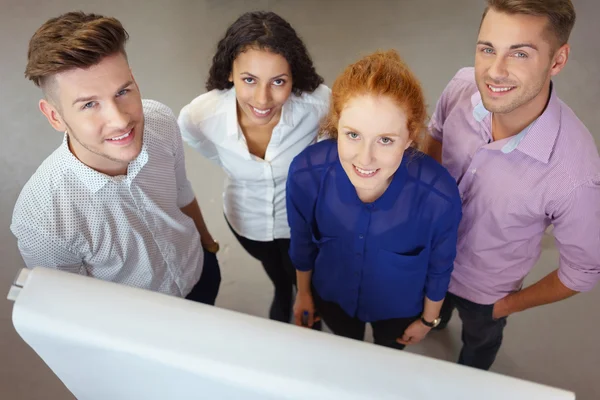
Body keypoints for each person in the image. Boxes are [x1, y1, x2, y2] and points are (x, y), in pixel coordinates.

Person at [425, 0, 600, 370]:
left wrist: (504, 306)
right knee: (432, 312)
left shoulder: (576, 176)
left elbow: (581, 272)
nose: (495, 71)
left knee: (479, 342)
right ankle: (436, 319)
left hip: (485, 291)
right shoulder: (461, 86)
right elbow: (436, 134)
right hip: (427, 257)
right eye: (487, 48)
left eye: (520, 54)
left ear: (557, 60)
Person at [11, 11, 221, 305]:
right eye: (89, 105)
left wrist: (207, 244)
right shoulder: (43, 220)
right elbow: (75, 306)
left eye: (123, 91)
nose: (120, 120)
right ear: (54, 116)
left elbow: (181, 190)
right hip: (140, 322)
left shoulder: (158, 120)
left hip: (199, 270)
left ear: (133, 78)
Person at [288, 50, 462, 349]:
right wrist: (304, 293)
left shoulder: (439, 197)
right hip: (333, 297)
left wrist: (427, 321)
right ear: (336, 125)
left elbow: (440, 265)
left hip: (399, 312)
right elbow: (302, 243)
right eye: (353, 135)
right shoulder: (306, 173)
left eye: (385, 140)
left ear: (410, 137)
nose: (365, 158)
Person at [178, 11, 330, 322]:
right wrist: (233, 164)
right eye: (249, 80)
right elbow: (198, 140)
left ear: (294, 77)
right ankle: (284, 289)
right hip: (246, 221)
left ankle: (300, 292)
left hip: (302, 222)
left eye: (278, 81)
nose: (263, 99)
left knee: (305, 276)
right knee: (276, 271)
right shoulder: (201, 114)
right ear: (230, 72)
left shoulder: (319, 105)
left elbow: (331, 152)